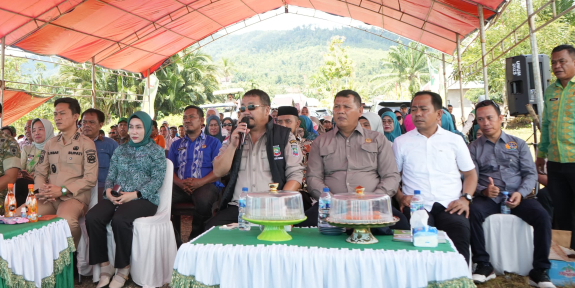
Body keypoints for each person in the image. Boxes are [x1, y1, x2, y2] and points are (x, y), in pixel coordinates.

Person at [468, 100, 555, 288]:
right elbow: (470, 177)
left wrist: (521, 194)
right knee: (472, 212)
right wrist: (483, 190)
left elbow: (530, 174)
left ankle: (539, 270)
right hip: (488, 197)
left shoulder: (518, 144)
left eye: (490, 118)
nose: (485, 123)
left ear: (500, 118)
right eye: (480, 119)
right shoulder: (473, 148)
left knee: (542, 216)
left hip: (517, 196)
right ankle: (483, 264)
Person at [301, 90, 406, 229]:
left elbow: (391, 176)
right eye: (336, 107)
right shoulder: (320, 142)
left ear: (360, 110)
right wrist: (332, 200)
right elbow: (313, 177)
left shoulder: (377, 139)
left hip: (373, 206)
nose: (340, 111)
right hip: (331, 207)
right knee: (302, 229)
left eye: (347, 107)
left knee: (403, 226)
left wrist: (373, 200)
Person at [393, 92, 477, 263]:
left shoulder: (455, 140)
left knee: (459, 234)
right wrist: (400, 196)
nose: (417, 114)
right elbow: (393, 177)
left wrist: (466, 198)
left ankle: (459, 282)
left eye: (423, 109)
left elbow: (470, 174)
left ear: (439, 114)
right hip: (416, 205)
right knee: (418, 245)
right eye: (414, 109)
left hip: (451, 204)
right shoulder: (401, 142)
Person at [86, 111, 166, 288]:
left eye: (139, 127)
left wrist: (135, 194)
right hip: (118, 195)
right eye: (131, 127)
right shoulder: (121, 149)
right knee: (93, 217)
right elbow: (111, 174)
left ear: (147, 129)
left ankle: (123, 268)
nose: (134, 131)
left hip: (144, 198)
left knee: (120, 220)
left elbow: (157, 180)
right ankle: (105, 265)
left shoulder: (156, 152)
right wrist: (108, 190)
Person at [206, 89, 303, 228]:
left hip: (272, 207)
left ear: (266, 110)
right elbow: (218, 171)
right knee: (211, 233)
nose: (246, 112)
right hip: (239, 208)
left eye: (251, 107)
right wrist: (233, 146)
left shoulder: (283, 136)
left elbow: (296, 174)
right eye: (243, 108)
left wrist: (280, 203)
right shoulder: (235, 136)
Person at [34, 98, 98, 247]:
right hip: (49, 197)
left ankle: (70, 258)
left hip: (73, 198)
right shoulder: (51, 143)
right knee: (21, 215)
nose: (57, 118)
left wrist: (62, 190)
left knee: (66, 221)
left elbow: (90, 178)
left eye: (62, 113)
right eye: (55, 114)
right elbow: (40, 172)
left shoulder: (86, 143)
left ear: (75, 117)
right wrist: (41, 189)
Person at [535, 44, 575, 250]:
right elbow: (547, 124)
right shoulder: (551, 90)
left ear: (574, 62)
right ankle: (568, 257)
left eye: (562, 61)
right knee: (562, 210)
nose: (557, 66)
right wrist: (541, 154)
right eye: (553, 62)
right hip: (556, 163)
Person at [170, 106, 223, 246]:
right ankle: (176, 243)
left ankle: (196, 240)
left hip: (205, 185)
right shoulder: (176, 144)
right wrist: (180, 183)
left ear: (201, 120)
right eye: (184, 118)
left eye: (191, 117)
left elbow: (219, 170)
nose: (187, 121)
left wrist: (199, 182)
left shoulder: (213, 143)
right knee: (161, 199)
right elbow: (168, 169)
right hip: (179, 186)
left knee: (204, 200)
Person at [80, 108, 118, 198]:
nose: (87, 125)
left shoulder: (110, 144)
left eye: (91, 122)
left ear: (100, 125)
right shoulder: (73, 144)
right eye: (84, 122)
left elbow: (120, 169)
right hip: (78, 190)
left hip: (103, 190)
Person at [19, 118, 54, 205]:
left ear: (49, 130)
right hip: (27, 184)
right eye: (34, 130)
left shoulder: (56, 149)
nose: (36, 133)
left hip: (48, 187)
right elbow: (20, 168)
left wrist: (37, 178)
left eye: (40, 129)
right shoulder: (27, 149)